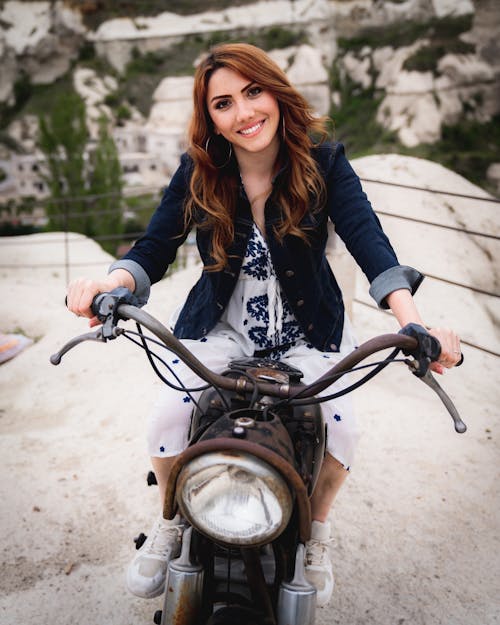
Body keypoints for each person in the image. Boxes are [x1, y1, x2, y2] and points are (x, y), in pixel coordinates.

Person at [66, 42, 462, 607]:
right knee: (167, 417)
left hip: (309, 332)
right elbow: (153, 247)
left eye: (253, 92)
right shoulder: (199, 171)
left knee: (343, 428)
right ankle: (173, 518)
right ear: (212, 119)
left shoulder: (324, 161)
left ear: (275, 91)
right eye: (223, 103)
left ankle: (314, 534)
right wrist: (112, 284)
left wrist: (416, 326)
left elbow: (372, 245)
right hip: (220, 328)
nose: (244, 112)